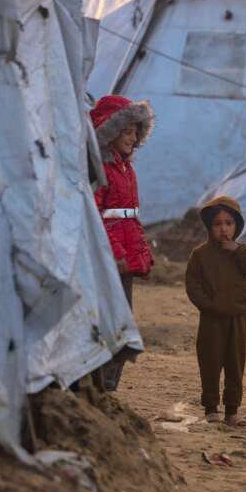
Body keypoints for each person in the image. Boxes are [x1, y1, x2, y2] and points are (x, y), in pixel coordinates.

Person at [91, 94, 155, 391]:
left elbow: (130, 217)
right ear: (109, 131)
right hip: (110, 257)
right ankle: (102, 385)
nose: (131, 137)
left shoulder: (127, 169)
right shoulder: (102, 171)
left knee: (124, 316)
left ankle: (111, 385)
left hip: (125, 254)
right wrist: (112, 252)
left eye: (134, 131)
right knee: (111, 319)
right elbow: (96, 216)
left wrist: (139, 249)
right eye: (125, 131)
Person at [185, 196, 246, 427]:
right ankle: (211, 408)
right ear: (210, 227)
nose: (223, 229)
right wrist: (209, 305)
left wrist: (238, 251)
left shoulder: (242, 251)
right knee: (210, 363)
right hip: (211, 319)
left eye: (229, 223)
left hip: (237, 318)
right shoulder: (200, 254)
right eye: (218, 224)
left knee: (235, 365)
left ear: (237, 226)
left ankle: (232, 411)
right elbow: (193, 285)